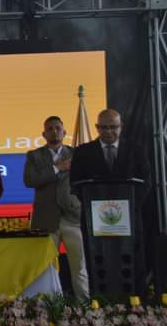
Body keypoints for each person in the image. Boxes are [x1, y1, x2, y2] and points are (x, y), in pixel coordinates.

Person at [70, 109, 151, 293]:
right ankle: (99, 301)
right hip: (95, 220)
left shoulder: (136, 149)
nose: (109, 131)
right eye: (104, 127)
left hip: (130, 217)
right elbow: (75, 183)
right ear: (97, 127)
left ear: (121, 126)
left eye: (113, 127)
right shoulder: (83, 152)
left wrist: (129, 207)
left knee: (133, 261)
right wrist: (93, 207)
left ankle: (136, 302)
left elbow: (146, 182)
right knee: (97, 261)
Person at [24, 116, 88, 301]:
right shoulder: (34, 155)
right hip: (46, 219)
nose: (54, 131)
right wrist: (57, 168)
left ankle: (85, 305)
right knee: (45, 268)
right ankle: (48, 306)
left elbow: (84, 180)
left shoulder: (77, 154)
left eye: (57, 128)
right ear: (43, 134)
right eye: (50, 129)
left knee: (80, 266)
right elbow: (30, 180)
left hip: (72, 217)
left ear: (64, 132)